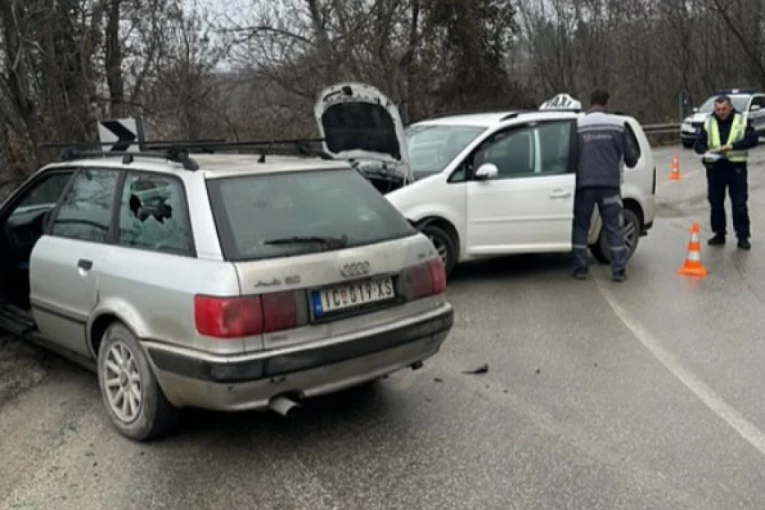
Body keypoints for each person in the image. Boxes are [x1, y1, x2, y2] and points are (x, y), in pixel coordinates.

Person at [571, 89, 640, 282]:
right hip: (610, 185)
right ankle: (618, 270)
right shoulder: (618, 125)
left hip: (584, 185)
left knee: (581, 226)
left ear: (590, 102)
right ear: (606, 103)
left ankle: (580, 268)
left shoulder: (577, 125)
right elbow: (632, 158)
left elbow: (570, 156)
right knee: (614, 227)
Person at [693, 95, 758, 250]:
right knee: (715, 203)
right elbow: (698, 144)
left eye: (723, 109)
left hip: (736, 167)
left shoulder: (741, 120)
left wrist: (732, 147)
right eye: (717, 109)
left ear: (730, 108)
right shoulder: (709, 122)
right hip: (715, 167)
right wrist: (707, 151)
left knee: (739, 204)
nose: (721, 112)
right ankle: (719, 233)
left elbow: (752, 139)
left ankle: (742, 236)